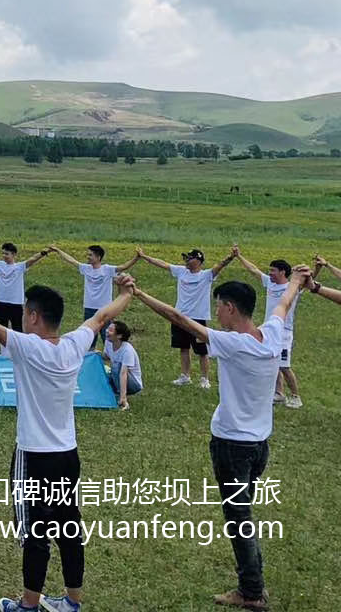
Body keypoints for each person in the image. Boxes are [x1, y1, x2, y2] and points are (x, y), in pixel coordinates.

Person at [0, 272, 134, 612]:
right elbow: (102, 317)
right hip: (67, 455)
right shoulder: (75, 344)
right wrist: (127, 293)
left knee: (35, 533)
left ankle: (28, 606)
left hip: (33, 457)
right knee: (69, 526)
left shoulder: (28, 347)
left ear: (32, 316)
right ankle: (72, 602)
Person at [123, 269, 305, 610]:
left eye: (219, 306)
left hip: (233, 447)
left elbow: (179, 318)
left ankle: (251, 590)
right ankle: (251, 584)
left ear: (232, 308)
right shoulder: (272, 332)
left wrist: (139, 294)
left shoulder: (234, 343)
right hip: (259, 446)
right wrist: (295, 281)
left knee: (239, 518)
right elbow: (282, 304)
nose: (216, 312)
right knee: (242, 512)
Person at [134, 246, 238, 388]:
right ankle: (185, 376)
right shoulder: (181, 272)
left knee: (202, 351)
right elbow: (162, 264)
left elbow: (219, 266)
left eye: (190, 258)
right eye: (186, 258)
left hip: (198, 318)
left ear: (198, 261)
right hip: (179, 316)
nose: (186, 261)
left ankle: (204, 379)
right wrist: (144, 256)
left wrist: (231, 257)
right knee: (183, 348)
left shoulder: (206, 275)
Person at [236, 253, 301, 408]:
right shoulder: (270, 284)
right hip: (269, 329)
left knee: (284, 365)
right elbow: (253, 269)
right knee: (273, 360)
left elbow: (307, 281)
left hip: (284, 332)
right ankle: (279, 393)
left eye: (273, 270)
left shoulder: (291, 288)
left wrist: (318, 267)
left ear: (282, 272)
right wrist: (238, 256)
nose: (270, 273)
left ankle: (296, 396)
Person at [46, 245, 140, 351]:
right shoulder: (86, 269)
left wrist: (137, 257)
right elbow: (71, 260)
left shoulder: (107, 269)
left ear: (98, 257)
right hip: (89, 308)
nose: (88, 257)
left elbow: (124, 267)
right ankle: (90, 358)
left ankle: (112, 357)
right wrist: (58, 250)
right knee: (89, 338)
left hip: (105, 309)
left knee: (108, 337)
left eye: (90, 255)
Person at [103, 321, 142, 410]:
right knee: (102, 370)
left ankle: (120, 395)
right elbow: (106, 356)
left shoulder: (127, 350)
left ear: (119, 336)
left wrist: (123, 397)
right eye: (108, 329)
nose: (107, 331)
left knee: (117, 367)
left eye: (111, 330)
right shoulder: (108, 342)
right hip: (116, 375)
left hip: (133, 384)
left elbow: (123, 373)